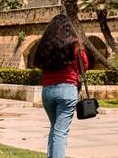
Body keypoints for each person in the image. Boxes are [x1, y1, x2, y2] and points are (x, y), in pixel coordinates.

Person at [34, 14, 88, 158]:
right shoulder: (75, 43)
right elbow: (85, 65)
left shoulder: (45, 44)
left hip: (47, 91)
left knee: (55, 128)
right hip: (67, 89)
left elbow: (38, 63)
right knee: (61, 132)